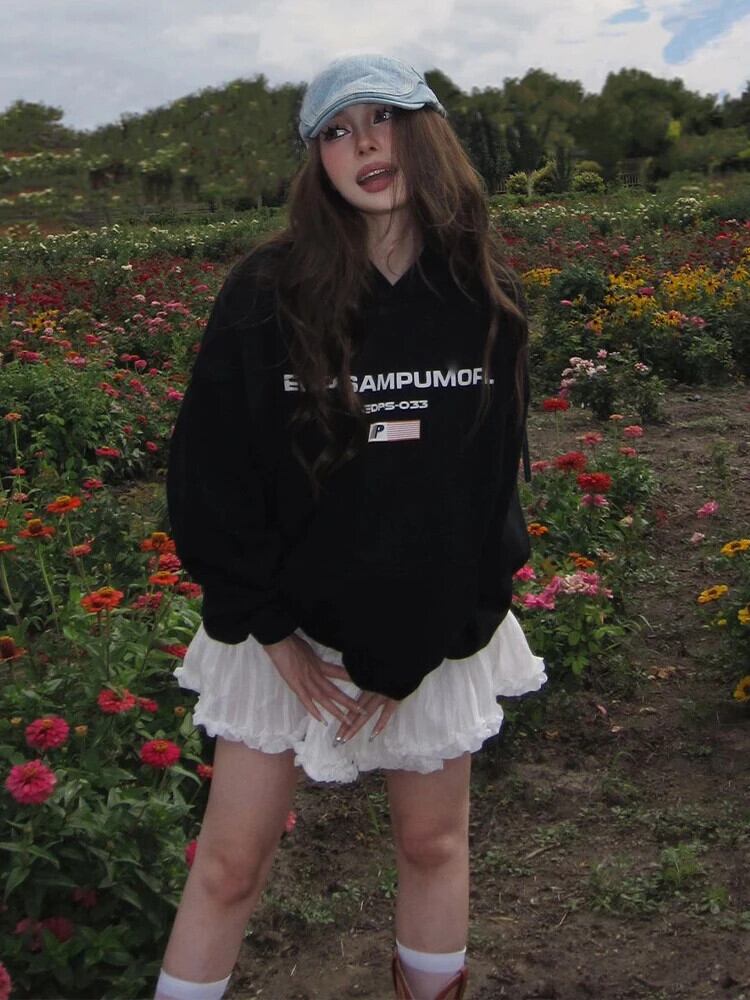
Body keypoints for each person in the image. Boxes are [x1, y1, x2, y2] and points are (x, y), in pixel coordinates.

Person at [154, 53, 547, 1000]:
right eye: (336, 130)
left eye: (383, 118)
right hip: (282, 631)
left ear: (427, 132)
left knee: (432, 843)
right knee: (230, 866)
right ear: (316, 160)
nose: (364, 144)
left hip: (430, 626)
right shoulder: (267, 291)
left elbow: (485, 493)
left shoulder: (480, 294)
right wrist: (272, 631)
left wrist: (422, 647)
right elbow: (210, 476)